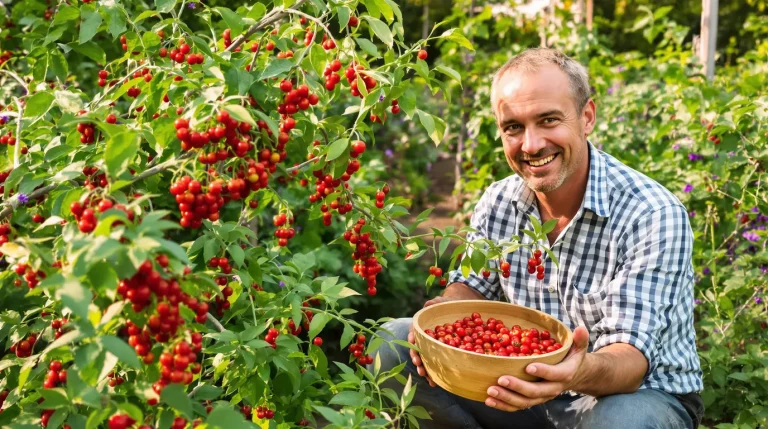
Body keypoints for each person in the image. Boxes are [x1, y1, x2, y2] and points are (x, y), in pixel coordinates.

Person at [370, 48, 704, 429]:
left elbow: (628, 363)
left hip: (631, 396)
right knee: (395, 341)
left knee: (623, 420)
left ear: (587, 117)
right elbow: (470, 289)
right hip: (521, 393)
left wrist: (570, 373)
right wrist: (440, 318)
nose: (531, 145)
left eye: (548, 120)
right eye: (513, 127)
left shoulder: (650, 213)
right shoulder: (500, 200)